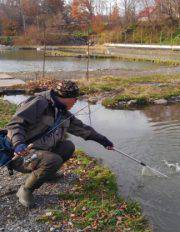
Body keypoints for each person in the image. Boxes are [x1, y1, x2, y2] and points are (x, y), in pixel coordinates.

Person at [6, 80, 114, 208]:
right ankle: (25, 190)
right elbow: (15, 124)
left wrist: (102, 140)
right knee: (54, 160)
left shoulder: (62, 111)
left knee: (68, 146)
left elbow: (82, 129)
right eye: (74, 98)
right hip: (18, 154)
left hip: (39, 152)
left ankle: (46, 174)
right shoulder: (38, 103)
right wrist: (18, 144)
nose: (75, 101)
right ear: (64, 97)